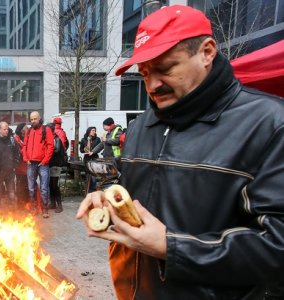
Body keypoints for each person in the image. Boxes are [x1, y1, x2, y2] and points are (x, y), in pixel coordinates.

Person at [76, 5, 284, 299]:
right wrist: (108, 200)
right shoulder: (140, 126)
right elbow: (135, 198)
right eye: (145, 73)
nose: (152, 85)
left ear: (207, 52)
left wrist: (169, 246)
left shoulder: (270, 124)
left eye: (165, 69)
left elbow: (277, 245)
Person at [23, 111, 54, 218]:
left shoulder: (47, 129)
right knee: (31, 188)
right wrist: (25, 158)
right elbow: (25, 145)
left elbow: (51, 146)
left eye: (35, 119)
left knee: (44, 188)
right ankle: (34, 207)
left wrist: (45, 161)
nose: (33, 121)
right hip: (31, 163)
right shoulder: (29, 131)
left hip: (42, 164)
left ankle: (45, 208)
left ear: (39, 118)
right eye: (31, 119)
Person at [0, 121, 20, 210]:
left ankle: (13, 211)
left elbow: (17, 152)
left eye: (7, 129)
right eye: (4, 129)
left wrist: (15, 164)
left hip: (10, 171)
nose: (6, 131)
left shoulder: (12, 139)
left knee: (11, 192)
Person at [48, 118, 68, 213]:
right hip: (50, 164)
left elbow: (56, 150)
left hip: (55, 164)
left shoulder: (56, 139)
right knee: (50, 184)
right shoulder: (51, 138)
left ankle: (59, 205)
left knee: (54, 185)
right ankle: (53, 203)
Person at [79, 126, 101, 192]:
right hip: (87, 159)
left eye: (94, 130)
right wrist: (84, 150)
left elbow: (99, 149)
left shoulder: (97, 139)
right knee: (88, 176)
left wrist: (93, 151)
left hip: (94, 158)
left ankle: (93, 191)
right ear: (89, 131)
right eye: (93, 130)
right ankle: (88, 191)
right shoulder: (83, 139)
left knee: (93, 177)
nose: (94, 132)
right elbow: (81, 150)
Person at [14, 123, 29, 209]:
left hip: (26, 167)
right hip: (20, 167)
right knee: (20, 186)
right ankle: (20, 204)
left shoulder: (24, 138)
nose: (27, 130)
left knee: (26, 185)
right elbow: (19, 152)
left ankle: (26, 203)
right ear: (21, 130)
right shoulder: (17, 139)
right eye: (26, 128)